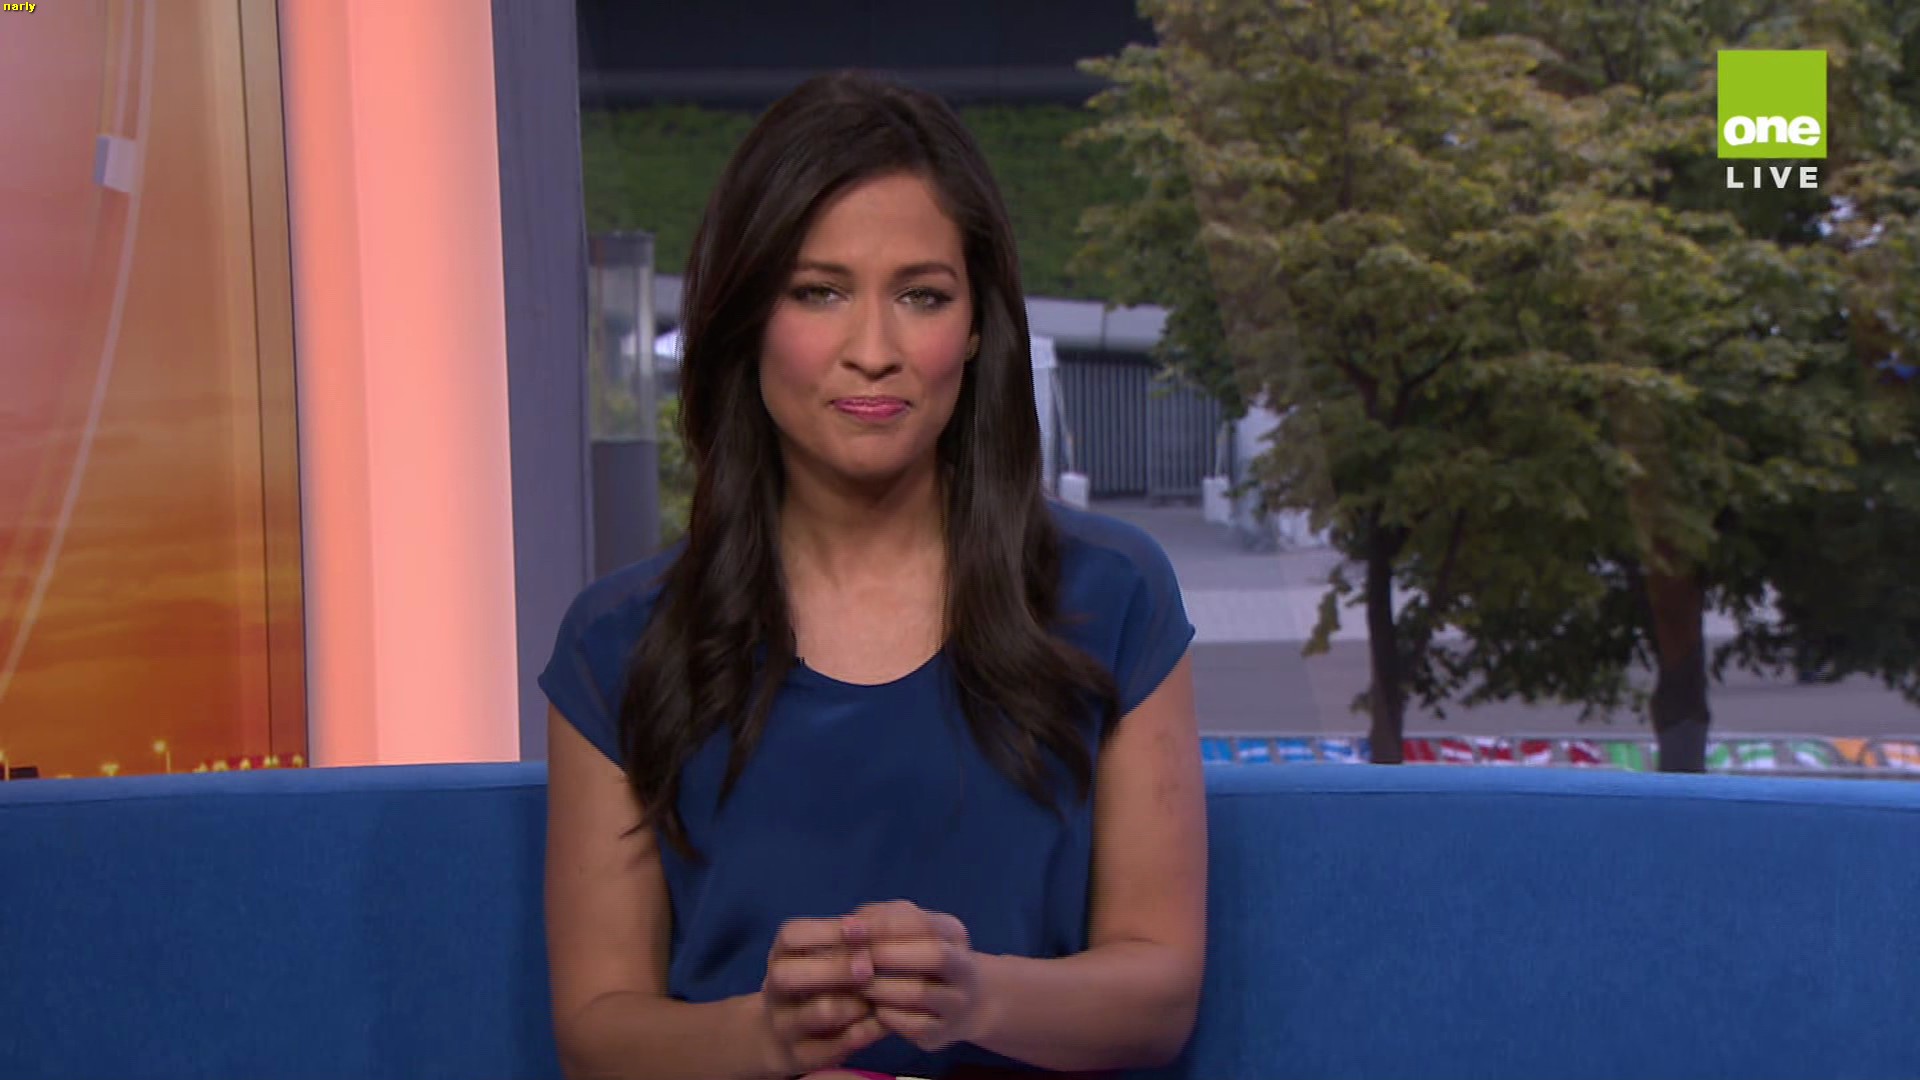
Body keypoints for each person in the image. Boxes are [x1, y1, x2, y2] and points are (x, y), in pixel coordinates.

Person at [540, 71, 1205, 1080]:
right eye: (820, 293)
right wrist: (767, 1039)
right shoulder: (619, 643)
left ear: (975, 327)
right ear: (747, 317)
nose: (874, 351)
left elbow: (1159, 992)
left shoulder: (1114, 597)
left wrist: (978, 997)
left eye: (921, 296)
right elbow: (598, 1031)